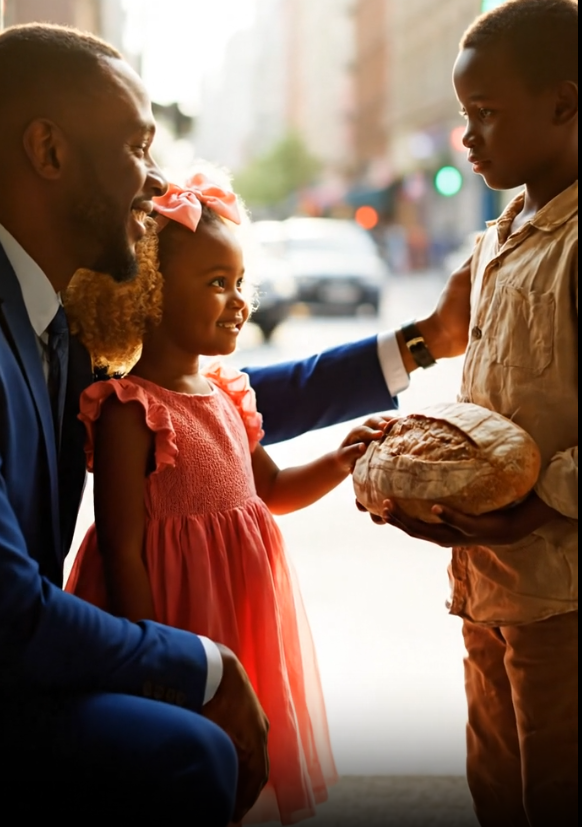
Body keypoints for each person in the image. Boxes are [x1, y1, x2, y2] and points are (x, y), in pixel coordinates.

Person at [0, 22, 469, 821]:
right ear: (49, 151)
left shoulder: (49, 313)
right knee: (192, 751)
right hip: (1, 676)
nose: (155, 181)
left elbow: (215, 406)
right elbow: (5, 614)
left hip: (26, 659)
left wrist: (422, 343)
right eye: (138, 146)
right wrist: (200, 662)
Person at [63, 175, 386, 823]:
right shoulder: (131, 409)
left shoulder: (228, 393)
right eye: (217, 283)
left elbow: (269, 490)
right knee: (175, 774)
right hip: (171, 624)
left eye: (241, 283)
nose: (240, 301)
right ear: (148, 291)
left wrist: (342, 459)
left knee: (240, 763)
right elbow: (123, 550)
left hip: (239, 615)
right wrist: (156, 658)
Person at [377, 0, 578, 827]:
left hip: (561, 598)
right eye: (467, 114)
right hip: (485, 586)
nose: (469, 138)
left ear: (567, 103)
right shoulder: (495, 239)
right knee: (496, 790)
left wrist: (534, 505)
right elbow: (489, 410)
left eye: (488, 114)